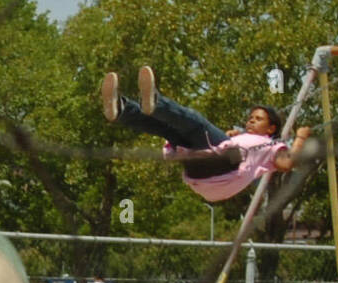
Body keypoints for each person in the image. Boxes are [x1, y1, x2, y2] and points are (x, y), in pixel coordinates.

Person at [102, 66, 312, 203]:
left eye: (258, 119)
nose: (251, 120)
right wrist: (234, 136)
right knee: (170, 131)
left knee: (194, 122)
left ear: (271, 129)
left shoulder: (271, 146)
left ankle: (157, 103)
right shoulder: (243, 138)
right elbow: (235, 144)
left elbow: (287, 164)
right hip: (203, 175)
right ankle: (123, 110)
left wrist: (300, 137)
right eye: (250, 117)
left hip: (225, 170)